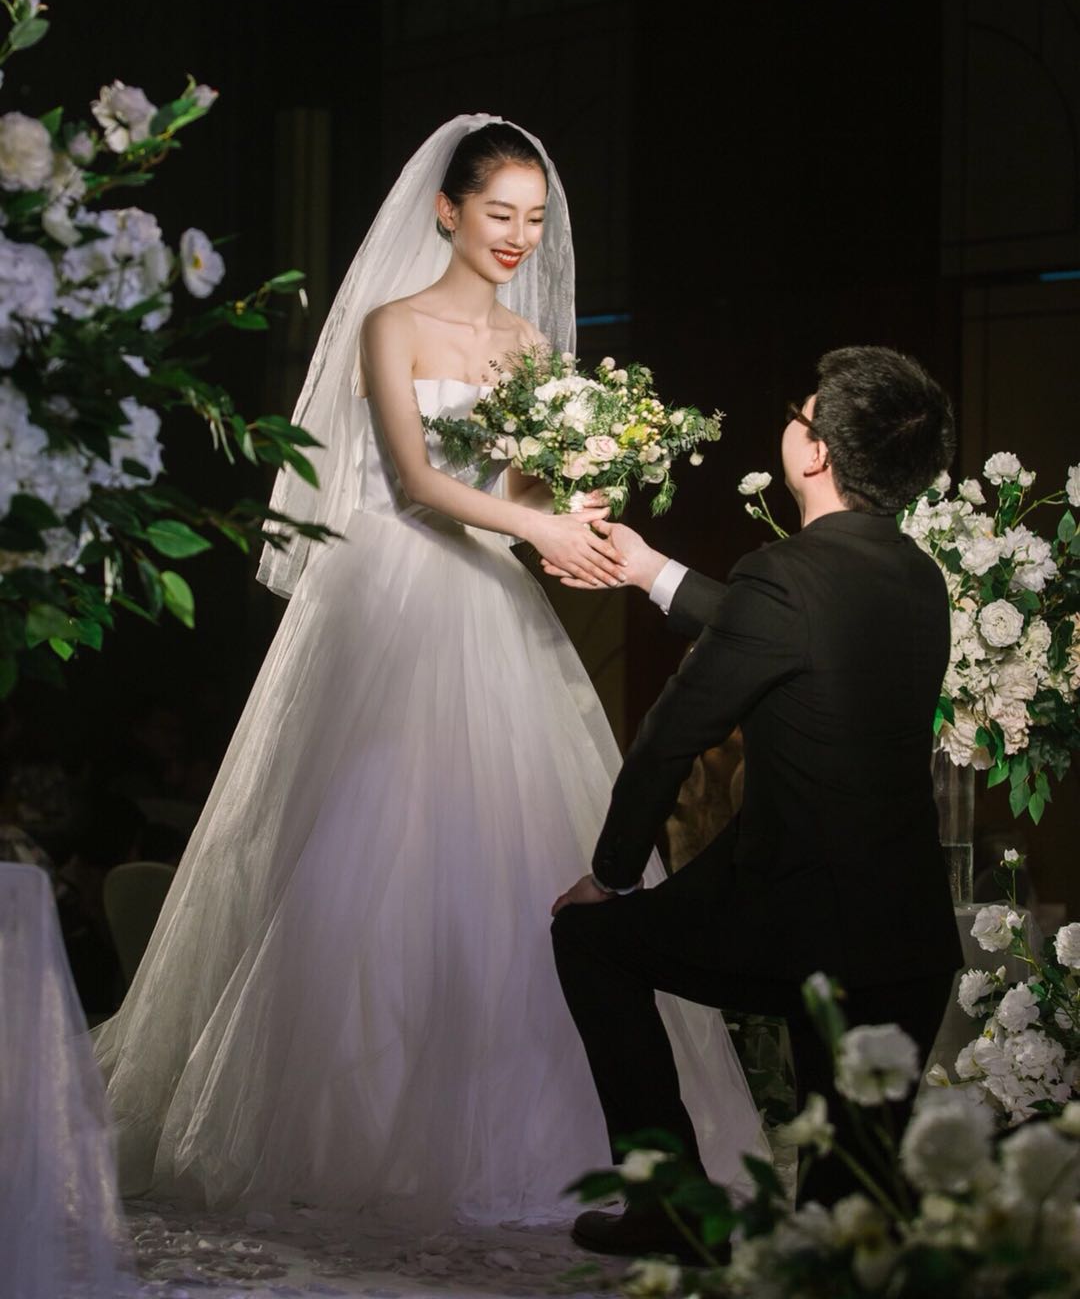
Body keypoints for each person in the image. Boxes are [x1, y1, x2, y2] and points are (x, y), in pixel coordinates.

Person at [92, 116, 764, 1230]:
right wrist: (535, 527)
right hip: (393, 590)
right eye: (499, 212)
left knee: (511, 842)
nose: (518, 235)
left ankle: (551, 1133)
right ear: (447, 210)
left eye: (534, 218)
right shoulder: (390, 323)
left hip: (490, 593)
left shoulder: (530, 345)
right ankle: (344, 1127)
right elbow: (413, 482)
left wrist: (577, 501)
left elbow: (521, 492)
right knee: (369, 842)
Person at [548, 345, 963, 1256]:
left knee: (588, 938)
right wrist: (652, 571)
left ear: (814, 454)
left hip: (800, 926)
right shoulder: (918, 577)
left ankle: (669, 1203)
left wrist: (610, 878)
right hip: (907, 942)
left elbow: (667, 740)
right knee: (849, 1231)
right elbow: (795, 635)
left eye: (798, 413)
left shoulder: (786, 578)